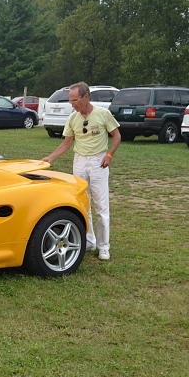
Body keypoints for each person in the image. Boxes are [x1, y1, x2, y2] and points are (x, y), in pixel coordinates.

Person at [42, 82, 121, 260]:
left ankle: (104, 246)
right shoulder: (73, 118)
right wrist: (50, 158)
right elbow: (66, 143)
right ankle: (89, 241)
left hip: (98, 161)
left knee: (101, 205)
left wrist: (109, 155)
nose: (73, 105)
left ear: (86, 97)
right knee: (83, 203)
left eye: (75, 100)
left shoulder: (103, 114)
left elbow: (117, 136)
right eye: (71, 101)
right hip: (79, 161)